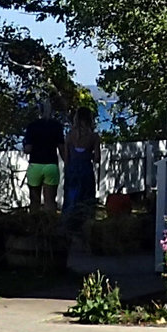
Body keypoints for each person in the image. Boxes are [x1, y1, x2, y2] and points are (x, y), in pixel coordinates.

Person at [61, 105, 101, 255]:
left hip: (72, 171)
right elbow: (97, 158)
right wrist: (88, 155)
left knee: (71, 201)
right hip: (85, 170)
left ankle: (68, 234)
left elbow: (66, 158)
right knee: (87, 202)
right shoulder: (94, 137)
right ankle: (86, 236)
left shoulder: (69, 135)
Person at [19, 99, 66, 217]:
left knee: (34, 201)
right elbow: (61, 149)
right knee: (50, 201)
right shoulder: (57, 126)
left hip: (35, 165)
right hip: (51, 165)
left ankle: (34, 228)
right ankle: (50, 228)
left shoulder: (32, 126)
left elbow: (28, 149)